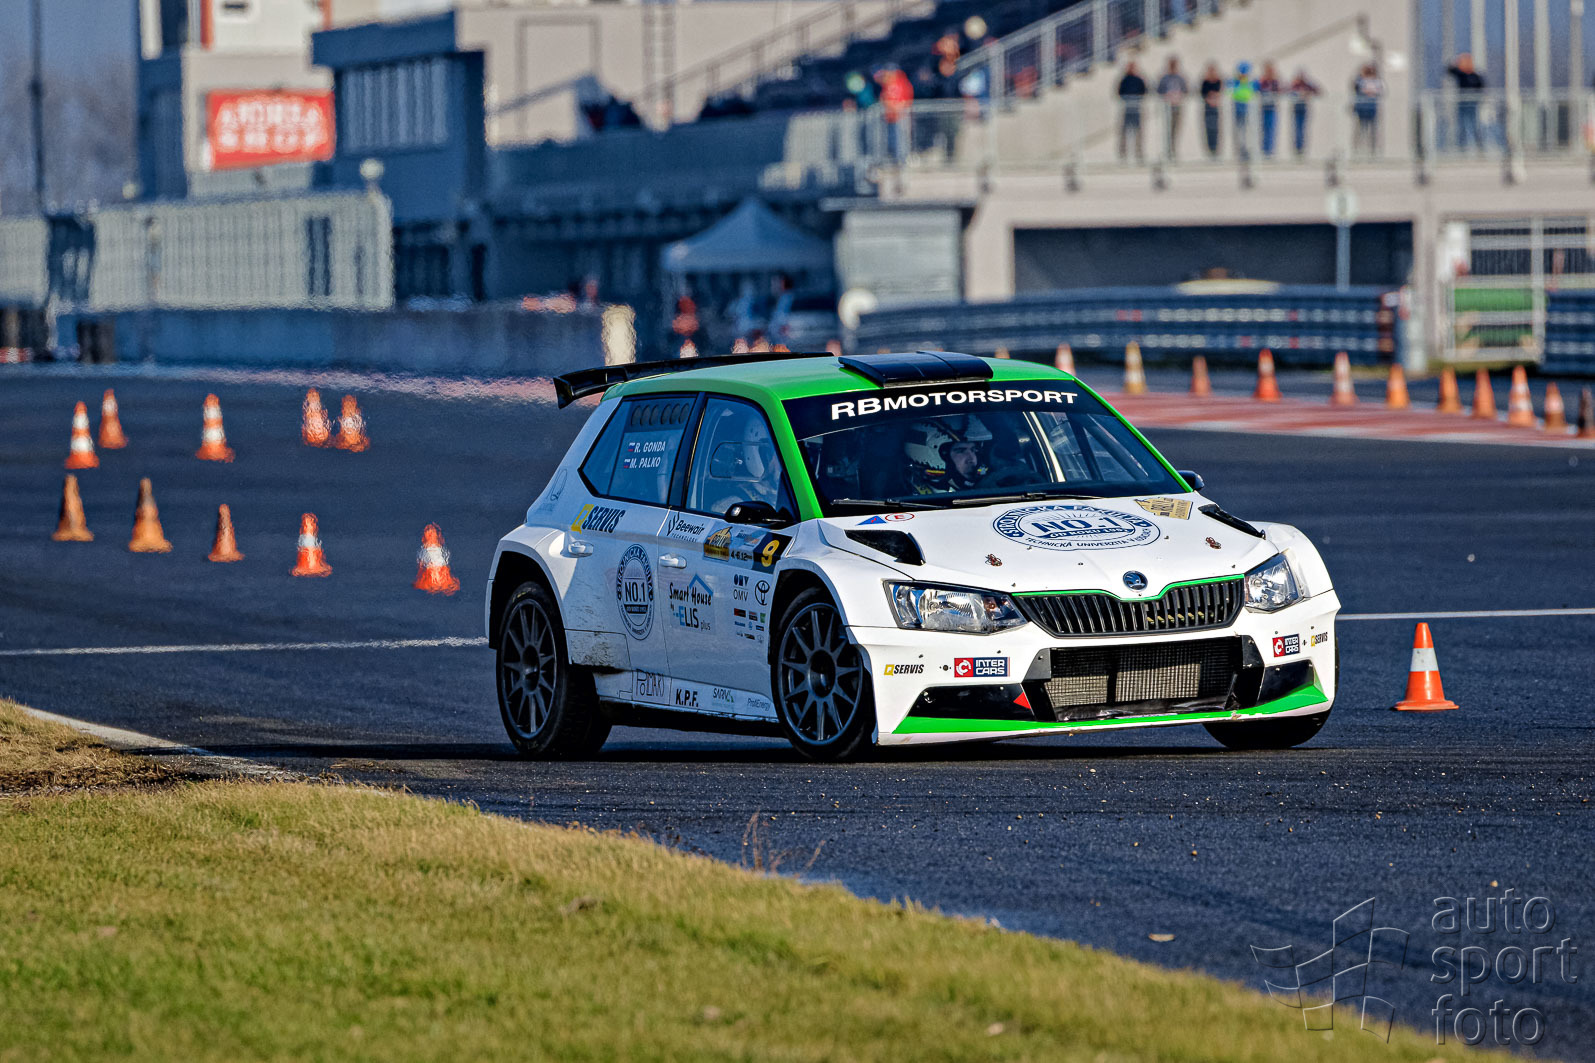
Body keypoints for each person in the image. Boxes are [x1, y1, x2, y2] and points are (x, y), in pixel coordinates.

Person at [905, 418, 993, 493]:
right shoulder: (907, 495)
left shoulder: (990, 488)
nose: (972, 459)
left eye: (974, 450)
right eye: (961, 451)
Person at [1447, 53, 1485, 152]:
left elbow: (1481, 88)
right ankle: (1461, 146)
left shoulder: (1475, 76)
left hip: (1472, 104)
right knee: (1462, 124)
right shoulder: (1461, 75)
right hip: (1462, 104)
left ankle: (1479, 146)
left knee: (1474, 124)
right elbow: (1449, 70)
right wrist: (1456, 62)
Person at [878, 66, 914, 164]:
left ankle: (903, 159)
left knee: (903, 139)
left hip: (901, 117)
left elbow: (907, 98)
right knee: (892, 140)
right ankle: (894, 159)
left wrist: (898, 108)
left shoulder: (902, 83)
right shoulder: (886, 85)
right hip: (890, 118)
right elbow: (884, 98)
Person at [1156, 57, 1188, 159]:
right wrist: (1167, 96)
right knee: (1167, 129)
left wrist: (1178, 96)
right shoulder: (1164, 78)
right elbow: (1159, 90)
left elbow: (1185, 90)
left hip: (1177, 107)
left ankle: (1174, 149)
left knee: (1176, 129)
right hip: (1167, 107)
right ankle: (1167, 149)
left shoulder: (1180, 78)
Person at [1117, 61, 1148, 162]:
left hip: (1136, 109)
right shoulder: (1124, 80)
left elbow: (1144, 91)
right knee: (1124, 131)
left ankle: (1139, 152)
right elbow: (1119, 92)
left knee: (1138, 131)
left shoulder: (1139, 79)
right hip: (1127, 109)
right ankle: (1123, 153)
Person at [1353, 63, 1384, 156]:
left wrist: (1372, 91)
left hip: (1372, 107)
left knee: (1373, 130)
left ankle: (1373, 150)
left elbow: (1380, 90)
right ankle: (1358, 150)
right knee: (1361, 128)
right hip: (1362, 107)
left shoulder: (1377, 80)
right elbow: (1358, 88)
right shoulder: (1360, 80)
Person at [1289, 69, 1321, 156]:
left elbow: (1318, 91)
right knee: (1297, 129)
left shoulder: (1307, 84)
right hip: (1296, 109)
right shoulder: (1295, 85)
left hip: (1304, 109)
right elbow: (1287, 92)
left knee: (1303, 130)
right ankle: (1297, 148)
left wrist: (1308, 93)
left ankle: (1302, 149)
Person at [1230, 61, 1258, 159]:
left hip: (1249, 111)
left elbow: (1254, 93)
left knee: (1250, 131)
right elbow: (1231, 93)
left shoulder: (1251, 82)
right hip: (1238, 110)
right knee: (1239, 131)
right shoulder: (1235, 82)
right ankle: (1241, 150)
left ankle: (1249, 150)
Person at [1257, 61, 1282, 157]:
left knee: (1271, 129)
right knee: (1263, 129)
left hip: (1272, 109)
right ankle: (1263, 150)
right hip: (1263, 109)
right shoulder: (1261, 81)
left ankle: (1270, 150)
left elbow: (1281, 91)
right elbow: (1257, 91)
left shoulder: (1275, 82)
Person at [1200, 62, 1223, 158]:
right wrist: (1210, 98)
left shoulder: (1218, 81)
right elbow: (1203, 94)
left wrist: (1215, 97)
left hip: (1215, 108)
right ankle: (1210, 150)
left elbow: (1220, 92)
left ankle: (1216, 150)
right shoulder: (1205, 82)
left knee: (1216, 129)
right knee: (1208, 129)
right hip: (1208, 108)